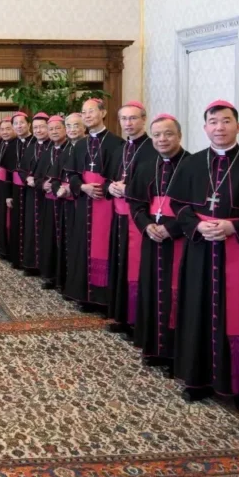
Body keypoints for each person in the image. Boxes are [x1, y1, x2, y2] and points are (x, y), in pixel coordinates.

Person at [166, 100, 239, 402]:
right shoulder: (191, 164)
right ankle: (196, 380)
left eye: (226, 121)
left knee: (238, 314)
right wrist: (197, 226)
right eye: (213, 122)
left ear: (238, 126)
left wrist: (234, 227)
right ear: (205, 128)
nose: (219, 128)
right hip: (199, 251)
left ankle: (238, 384)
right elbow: (178, 204)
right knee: (196, 309)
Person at [127, 114, 189, 372]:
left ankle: (176, 353)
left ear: (179, 136)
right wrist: (146, 225)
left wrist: (171, 229)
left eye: (168, 134)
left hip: (181, 241)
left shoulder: (192, 166)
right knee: (152, 289)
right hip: (152, 238)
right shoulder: (145, 166)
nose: (162, 139)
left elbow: (196, 208)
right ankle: (154, 348)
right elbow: (135, 203)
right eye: (157, 135)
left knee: (178, 293)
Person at [64, 99, 123, 311]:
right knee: (82, 246)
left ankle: (104, 299)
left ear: (103, 113)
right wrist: (83, 187)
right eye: (84, 112)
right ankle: (85, 296)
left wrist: (103, 187)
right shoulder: (80, 144)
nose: (87, 115)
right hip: (84, 203)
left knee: (104, 247)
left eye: (91, 111)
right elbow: (71, 174)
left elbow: (120, 176)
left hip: (106, 204)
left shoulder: (117, 143)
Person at [107, 101, 155, 336]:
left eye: (133, 118)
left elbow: (158, 185)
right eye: (124, 119)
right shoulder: (120, 148)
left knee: (136, 267)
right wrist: (110, 187)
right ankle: (121, 315)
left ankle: (137, 320)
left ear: (143, 120)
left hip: (140, 218)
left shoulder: (153, 148)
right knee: (120, 263)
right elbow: (109, 177)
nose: (128, 123)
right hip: (118, 216)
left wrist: (130, 190)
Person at [53, 113, 87, 292]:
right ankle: (64, 282)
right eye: (69, 126)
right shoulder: (66, 149)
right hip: (64, 203)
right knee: (65, 241)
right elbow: (55, 175)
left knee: (78, 244)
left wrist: (70, 188)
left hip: (81, 202)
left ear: (84, 127)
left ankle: (76, 287)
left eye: (76, 125)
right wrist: (57, 188)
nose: (72, 129)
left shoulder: (88, 147)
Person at [37, 115, 69, 290]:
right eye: (51, 129)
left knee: (64, 239)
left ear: (65, 130)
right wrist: (43, 184)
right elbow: (37, 175)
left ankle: (64, 279)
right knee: (49, 238)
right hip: (49, 202)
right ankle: (50, 276)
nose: (54, 132)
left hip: (65, 202)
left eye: (58, 128)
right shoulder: (47, 151)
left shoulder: (70, 149)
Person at [21, 113, 52, 274]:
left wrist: (39, 182)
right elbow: (22, 169)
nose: (38, 130)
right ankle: (31, 264)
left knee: (45, 230)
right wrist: (27, 178)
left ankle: (45, 267)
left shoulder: (53, 147)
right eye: (36, 127)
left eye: (42, 127)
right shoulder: (31, 146)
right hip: (31, 194)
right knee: (31, 228)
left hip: (46, 195)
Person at [7, 113, 35, 267]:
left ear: (28, 124)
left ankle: (30, 261)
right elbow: (8, 172)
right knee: (17, 223)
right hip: (16, 190)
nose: (19, 126)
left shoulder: (36, 142)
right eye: (16, 124)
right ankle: (17, 259)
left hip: (32, 190)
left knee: (31, 224)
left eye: (21, 123)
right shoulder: (11, 144)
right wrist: (8, 195)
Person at [0, 119, 17, 258]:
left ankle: (7, 250)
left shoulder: (15, 146)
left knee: (8, 220)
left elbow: (11, 172)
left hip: (9, 188)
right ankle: (1, 247)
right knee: (0, 218)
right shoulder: (2, 144)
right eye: (2, 129)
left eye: (8, 129)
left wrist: (9, 194)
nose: (5, 132)